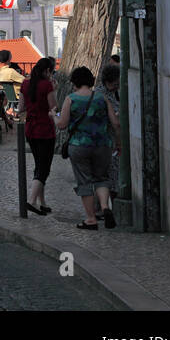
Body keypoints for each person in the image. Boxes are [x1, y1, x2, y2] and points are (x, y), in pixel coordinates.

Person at [56, 65, 121, 230]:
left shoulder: (71, 99)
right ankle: (105, 208)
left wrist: (52, 117)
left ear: (75, 82)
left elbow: (62, 125)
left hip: (79, 146)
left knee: (84, 181)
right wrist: (118, 143)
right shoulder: (102, 98)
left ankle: (91, 219)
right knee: (102, 178)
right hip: (103, 145)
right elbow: (115, 123)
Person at [18, 56, 58, 215]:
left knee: (39, 164)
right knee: (44, 168)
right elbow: (54, 108)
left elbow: (20, 108)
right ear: (48, 70)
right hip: (45, 130)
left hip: (30, 129)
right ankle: (32, 201)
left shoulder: (25, 83)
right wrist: (54, 89)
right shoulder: (47, 85)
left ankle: (42, 202)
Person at [99, 62, 122, 207]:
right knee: (107, 176)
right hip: (106, 141)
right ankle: (103, 208)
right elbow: (114, 121)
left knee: (113, 176)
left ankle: (105, 208)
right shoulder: (101, 95)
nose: (117, 86)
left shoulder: (115, 93)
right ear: (107, 82)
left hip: (111, 140)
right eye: (115, 83)